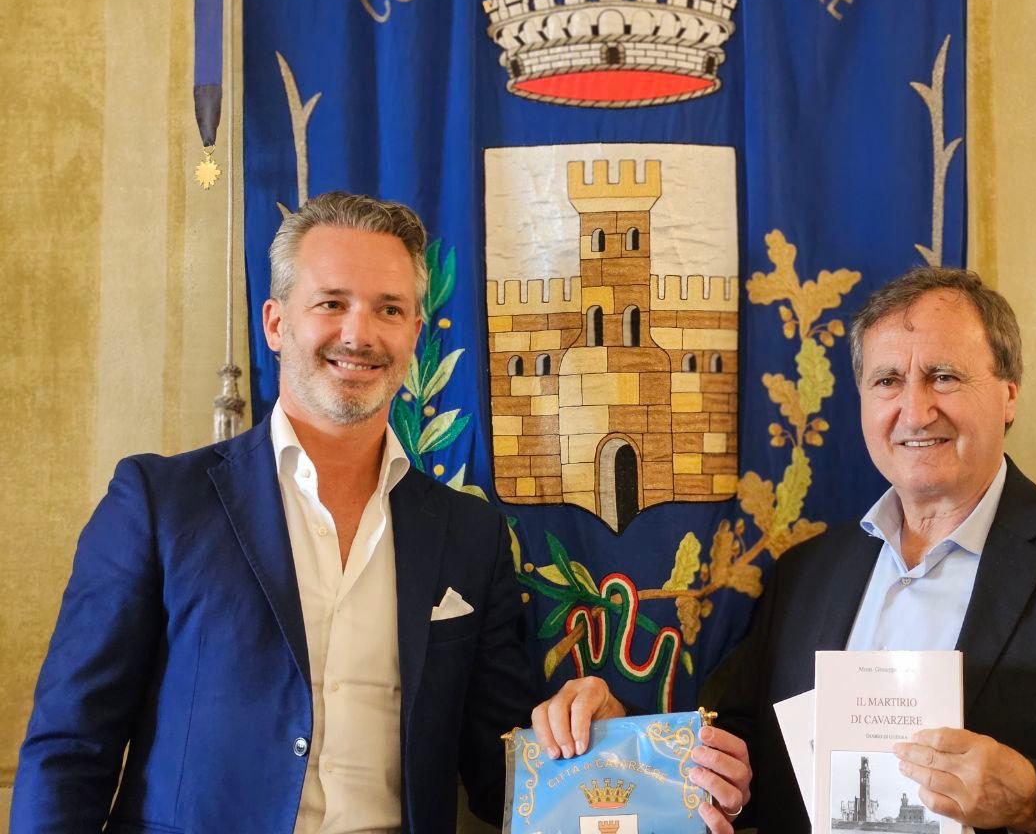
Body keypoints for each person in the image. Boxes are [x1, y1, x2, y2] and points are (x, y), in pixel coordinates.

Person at [11, 193, 750, 833]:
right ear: (276, 323)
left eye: (389, 309)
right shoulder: (158, 503)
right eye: (331, 303)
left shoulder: (468, 535)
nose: (359, 334)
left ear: (414, 336)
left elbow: (502, 776)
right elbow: (71, 746)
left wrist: (617, 751)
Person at [713, 266, 1036, 833]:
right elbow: (753, 759)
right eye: (888, 381)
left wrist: (1035, 799)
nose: (915, 412)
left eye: (943, 377)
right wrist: (725, 783)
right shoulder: (804, 573)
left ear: (1008, 395)